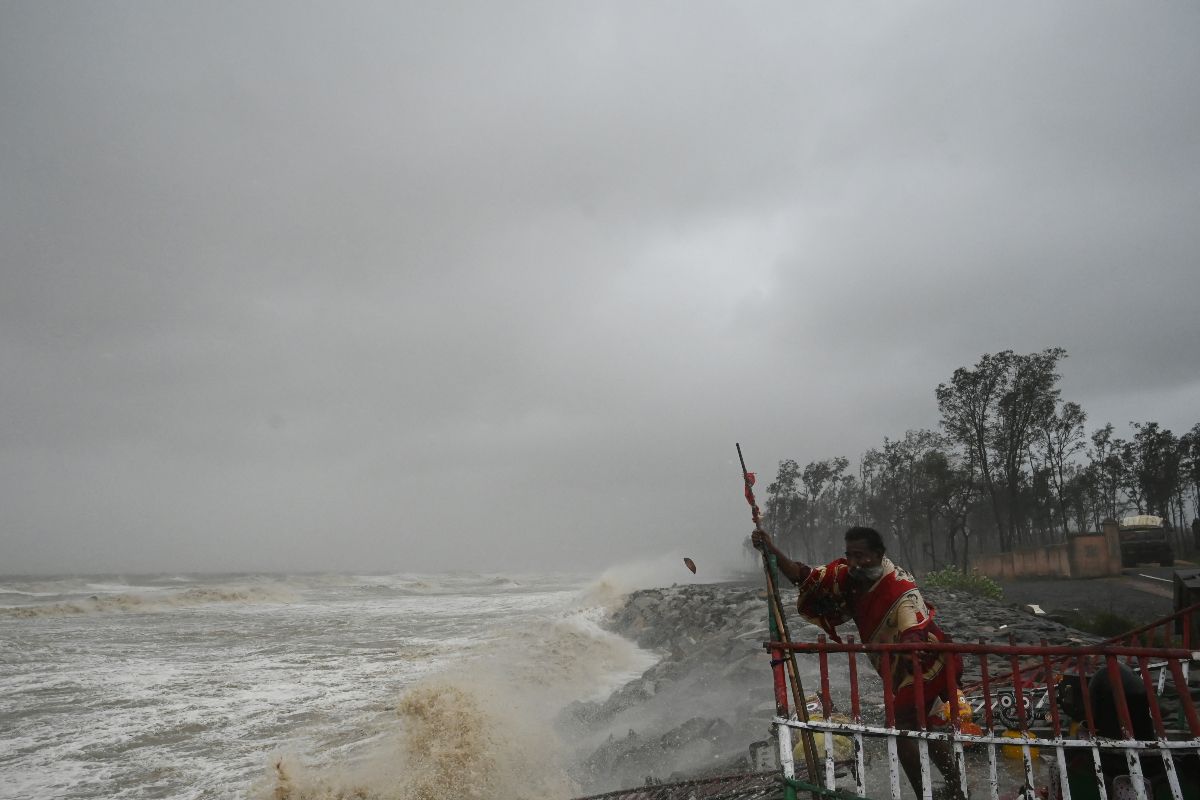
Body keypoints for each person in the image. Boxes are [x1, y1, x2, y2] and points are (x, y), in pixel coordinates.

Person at [751, 526, 964, 800]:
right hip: (896, 665)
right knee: (928, 723)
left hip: (923, 662)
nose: (853, 563)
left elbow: (914, 628)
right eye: (849, 555)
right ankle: (957, 789)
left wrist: (912, 645)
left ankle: (927, 795)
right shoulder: (847, 577)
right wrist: (771, 549)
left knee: (903, 729)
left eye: (860, 556)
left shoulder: (901, 588)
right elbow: (805, 577)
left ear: (877, 555)